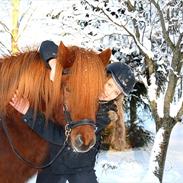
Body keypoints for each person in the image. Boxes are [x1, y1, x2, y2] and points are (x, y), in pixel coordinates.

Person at [10, 40, 135, 183]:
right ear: (100, 77)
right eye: (109, 84)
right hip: (52, 165)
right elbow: (47, 45)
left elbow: (60, 137)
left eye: (116, 92)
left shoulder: (106, 113)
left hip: (81, 170)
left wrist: (28, 112)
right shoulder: (78, 92)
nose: (109, 92)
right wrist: (54, 62)